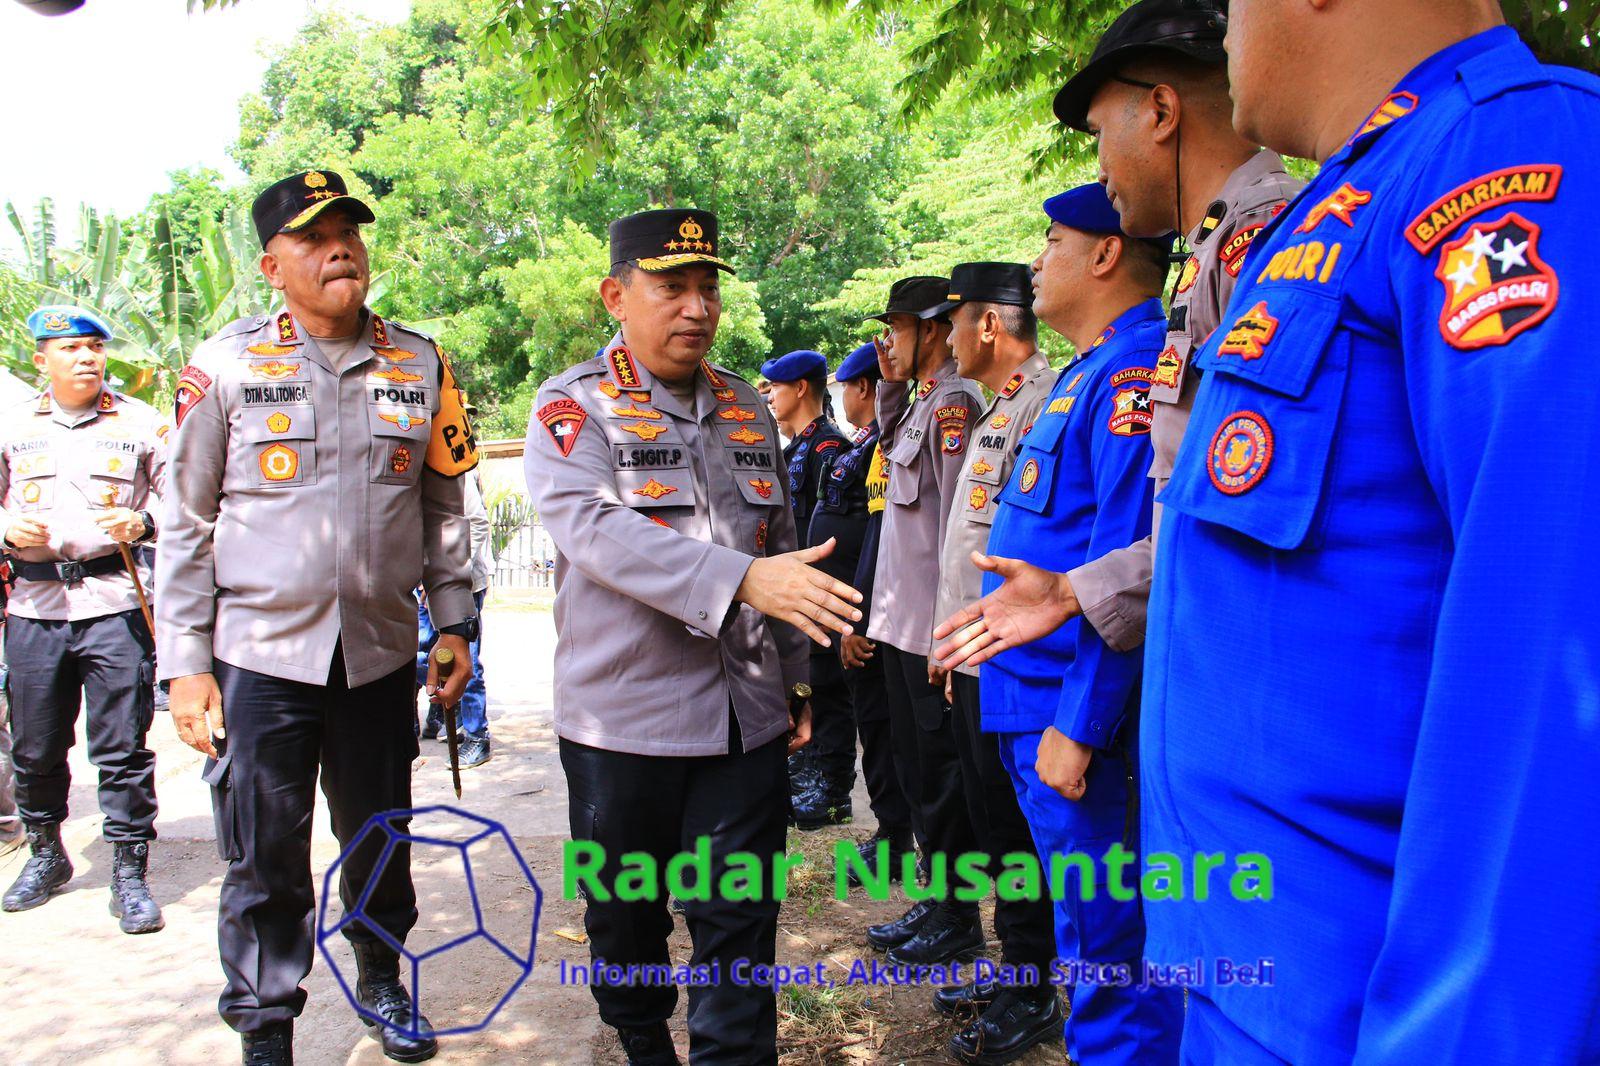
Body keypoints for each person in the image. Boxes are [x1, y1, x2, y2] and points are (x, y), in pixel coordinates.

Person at [1138, 5, 1600, 1061]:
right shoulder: (1345, 204)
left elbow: (1554, 684)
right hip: (1251, 974)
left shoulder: (1511, 151)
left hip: (1372, 1012)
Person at [524, 207, 862, 1066]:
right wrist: (738, 580)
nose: (696, 306)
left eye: (707, 286)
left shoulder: (749, 406)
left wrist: (794, 682)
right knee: (627, 917)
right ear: (616, 296)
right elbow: (593, 529)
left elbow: (780, 551)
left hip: (740, 722)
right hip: (622, 722)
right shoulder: (574, 406)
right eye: (671, 287)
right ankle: (641, 1042)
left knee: (740, 928)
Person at [157, 170, 478, 1065]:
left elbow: (445, 506)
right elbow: (184, 523)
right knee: (265, 856)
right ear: (272, 266)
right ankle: (266, 1028)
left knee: (381, 836)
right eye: (312, 236)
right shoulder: (222, 367)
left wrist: (453, 625)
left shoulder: (421, 362)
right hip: (258, 660)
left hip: (376, 655)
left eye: (349, 230)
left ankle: (380, 975)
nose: (339, 246)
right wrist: (187, 662)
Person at [936, 0, 1300, 673]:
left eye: (1101, 133)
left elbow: (1249, 516)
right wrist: (1075, 591)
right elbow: (1194, 518)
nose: (1100, 167)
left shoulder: (1269, 245)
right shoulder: (1212, 257)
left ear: (1161, 113)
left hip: (1242, 674)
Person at [979, 186, 1180, 1064]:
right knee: (1084, 941)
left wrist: (1080, 722)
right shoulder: (1086, 372)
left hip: (1072, 724)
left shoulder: (1133, 377)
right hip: (1029, 706)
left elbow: (1118, 571)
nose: (1037, 261)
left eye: (1052, 240)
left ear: (1104, 254)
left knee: (1111, 956)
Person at [920, 263, 1062, 1062]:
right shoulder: (999, 408)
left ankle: (1033, 989)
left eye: (952, 323)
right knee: (992, 827)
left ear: (987, 327)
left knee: (1016, 834)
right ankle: (1017, 971)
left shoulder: (1046, 402)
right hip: (974, 657)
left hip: (1013, 661)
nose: (942, 340)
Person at [0, 305, 166, 932]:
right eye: (69, 348)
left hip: (115, 604)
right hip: (35, 608)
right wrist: (5, 526)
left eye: (95, 347)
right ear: (41, 359)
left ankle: (129, 870)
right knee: (36, 745)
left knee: (122, 747)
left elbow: (188, 503)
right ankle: (47, 856)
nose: (86, 358)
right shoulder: (10, 425)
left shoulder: (141, 423)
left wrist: (144, 523)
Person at [860, 276, 985, 966]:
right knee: (917, 772)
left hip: (930, 631)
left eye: (899, 327)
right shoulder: (921, 405)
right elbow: (892, 465)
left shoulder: (956, 408)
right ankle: (940, 901)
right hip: (901, 627)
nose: (888, 340)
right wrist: (888, 390)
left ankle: (957, 915)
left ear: (934, 329)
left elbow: (960, 530)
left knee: (942, 778)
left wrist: (951, 632)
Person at [823, 343, 917, 882]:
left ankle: (898, 841)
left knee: (889, 734)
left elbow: (881, 541)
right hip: (861, 612)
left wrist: (857, 621)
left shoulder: (885, 443)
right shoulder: (870, 446)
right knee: (878, 731)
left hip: (877, 616)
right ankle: (892, 833)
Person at [760, 349, 852, 827]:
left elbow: (829, 534)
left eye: (775, 387)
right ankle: (808, 781)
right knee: (803, 689)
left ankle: (833, 793)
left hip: (818, 593)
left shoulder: (828, 449)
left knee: (828, 694)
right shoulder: (794, 448)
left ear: (799, 388)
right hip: (789, 592)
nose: (769, 396)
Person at [418, 464, 492, 767]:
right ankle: (440, 713)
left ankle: (477, 736)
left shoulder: (452, 464)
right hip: (421, 582)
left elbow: (475, 521)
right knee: (423, 652)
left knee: (465, 661)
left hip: (463, 584)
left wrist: (451, 574)